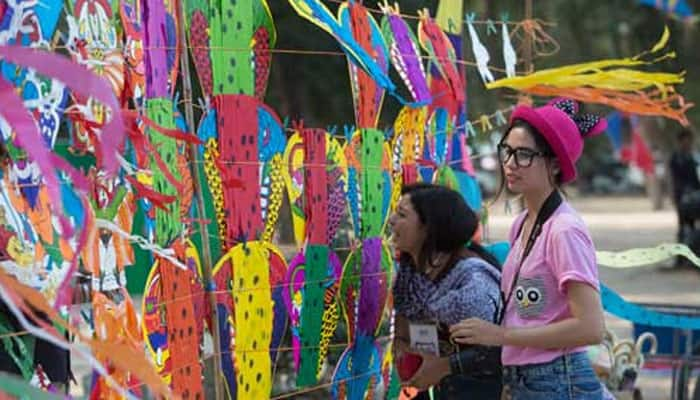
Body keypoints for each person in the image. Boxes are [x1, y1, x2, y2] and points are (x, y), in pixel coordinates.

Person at [450, 98, 606, 399]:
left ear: (555, 164)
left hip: (560, 380)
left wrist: (503, 336)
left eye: (523, 155)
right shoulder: (521, 223)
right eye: (506, 151)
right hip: (526, 381)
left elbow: (591, 327)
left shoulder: (564, 230)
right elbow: (532, 313)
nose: (509, 163)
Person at [390, 183, 502, 399]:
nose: (392, 220)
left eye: (402, 215)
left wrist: (444, 366)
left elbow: (499, 351)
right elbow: (404, 332)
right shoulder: (410, 274)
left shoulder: (474, 286)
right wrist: (405, 347)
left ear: (429, 228)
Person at [669, 128, 700, 248]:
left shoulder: (693, 157)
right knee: (682, 226)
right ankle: (681, 256)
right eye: (686, 141)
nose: (688, 144)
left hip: (694, 195)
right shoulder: (676, 158)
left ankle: (691, 253)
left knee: (692, 226)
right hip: (682, 196)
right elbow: (674, 179)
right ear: (680, 141)